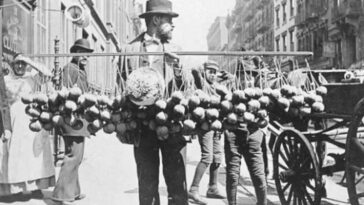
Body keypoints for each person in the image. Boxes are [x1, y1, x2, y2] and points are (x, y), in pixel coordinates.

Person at [120, 0, 188, 204]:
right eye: (169, 19)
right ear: (156, 20)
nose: (173, 24)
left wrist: (177, 68)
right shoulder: (129, 49)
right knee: (147, 182)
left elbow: (185, 86)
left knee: (176, 180)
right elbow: (121, 82)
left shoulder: (176, 48)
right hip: (141, 125)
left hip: (170, 123)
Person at [0, 54, 55, 202]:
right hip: (15, 120)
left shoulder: (32, 77)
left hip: (33, 119)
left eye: (22, 64)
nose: (20, 66)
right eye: (17, 64)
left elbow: (48, 74)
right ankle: (17, 189)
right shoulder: (6, 80)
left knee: (35, 155)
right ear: (12, 65)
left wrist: (29, 61)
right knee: (17, 156)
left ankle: (36, 187)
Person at [51, 38, 93, 203]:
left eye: (87, 54)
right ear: (74, 53)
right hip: (72, 116)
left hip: (80, 117)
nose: (85, 57)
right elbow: (66, 92)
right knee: (73, 155)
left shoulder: (78, 69)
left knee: (77, 155)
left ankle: (73, 191)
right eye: (81, 53)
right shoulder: (70, 68)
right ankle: (61, 194)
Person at [188, 60, 225, 205]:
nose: (213, 75)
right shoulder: (202, 85)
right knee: (207, 157)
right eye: (210, 72)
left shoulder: (218, 87)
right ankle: (194, 189)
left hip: (216, 126)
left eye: (215, 72)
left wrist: (226, 77)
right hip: (205, 125)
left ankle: (213, 187)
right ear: (205, 72)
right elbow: (195, 71)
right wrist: (201, 70)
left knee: (217, 157)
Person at [224, 123, 267, 205]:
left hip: (254, 133)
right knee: (232, 175)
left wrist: (262, 131)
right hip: (233, 133)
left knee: (259, 176)